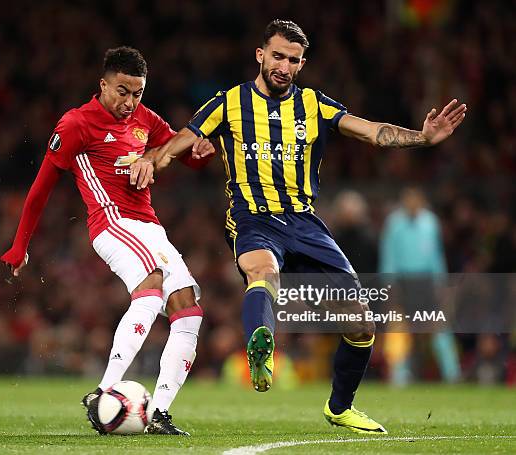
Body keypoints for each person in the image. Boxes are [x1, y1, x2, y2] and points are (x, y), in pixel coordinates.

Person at [131, 20, 466, 434]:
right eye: (277, 56)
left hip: (306, 224)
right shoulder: (229, 102)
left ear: (301, 63)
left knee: (362, 324)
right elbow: (181, 140)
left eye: (293, 60)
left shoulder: (314, 105)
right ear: (261, 55)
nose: (284, 66)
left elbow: (371, 132)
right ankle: (262, 348)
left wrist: (422, 137)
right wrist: (152, 159)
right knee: (262, 271)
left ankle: (340, 407)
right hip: (253, 218)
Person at [1, 46, 214, 436]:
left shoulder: (144, 119)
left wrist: (200, 151)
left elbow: (184, 155)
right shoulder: (76, 124)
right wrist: (20, 245)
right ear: (102, 85)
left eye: (137, 93)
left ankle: (160, 414)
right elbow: (40, 190)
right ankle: (102, 392)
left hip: (150, 226)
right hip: (111, 222)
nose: (129, 102)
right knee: (150, 286)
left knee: (188, 308)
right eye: (122, 91)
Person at [380, 188, 461, 385]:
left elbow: (436, 254)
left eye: (416, 201)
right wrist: (389, 283)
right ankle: (398, 376)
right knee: (398, 329)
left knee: (439, 326)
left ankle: (453, 374)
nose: (412, 205)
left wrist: (441, 282)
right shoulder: (394, 222)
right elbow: (388, 254)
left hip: (426, 281)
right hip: (403, 282)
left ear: (422, 201)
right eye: (409, 201)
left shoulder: (430, 222)